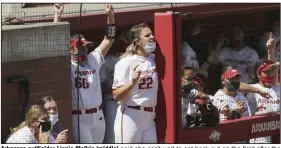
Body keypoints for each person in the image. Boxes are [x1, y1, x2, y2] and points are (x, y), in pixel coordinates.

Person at [54, 4, 116, 143]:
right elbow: (54, 43)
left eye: (85, 47)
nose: (84, 50)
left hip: (98, 115)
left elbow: (109, 39)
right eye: (80, 47)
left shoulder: (93, 59)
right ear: (70, 49)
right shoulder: (66, 64)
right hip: (79, 118)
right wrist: (58, 17)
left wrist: (110, 17)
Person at [112, 23, 158, 143]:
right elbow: (116, 95)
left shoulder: (154, 59)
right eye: (147, 35)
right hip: (131, 115)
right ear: (137, 41)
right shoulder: (125, 63)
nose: (152, 36)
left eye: (152, 33)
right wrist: (131, 83)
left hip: (150, 117)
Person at [247, 33, 280, 143]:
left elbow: (274, 73)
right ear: (258, 74)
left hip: (277, 131)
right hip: (260, 134)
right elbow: (239, 86)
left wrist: (271, 52)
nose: (270, 74)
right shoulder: (252, 89)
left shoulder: (277, 88)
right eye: (266, 72)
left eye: (272, 71)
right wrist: (258, 90)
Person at [100, 31, 129, 143]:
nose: (123, 43)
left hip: (128, 102)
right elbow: (101, 84)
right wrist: (117, 88)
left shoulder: (129, 59)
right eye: (121, 41)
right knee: (112, 135)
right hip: (112, 101)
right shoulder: (107, 60)